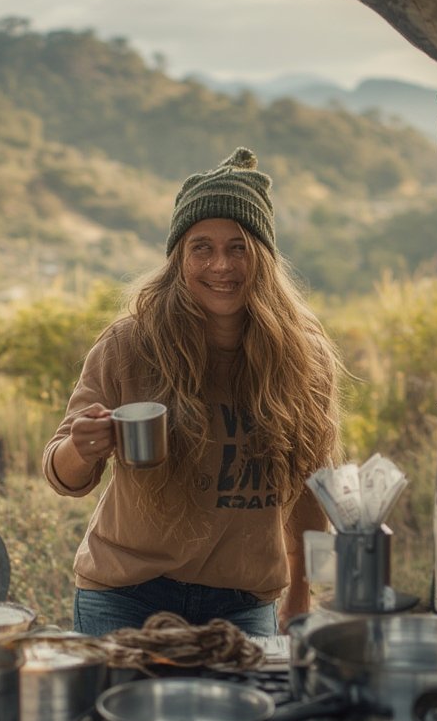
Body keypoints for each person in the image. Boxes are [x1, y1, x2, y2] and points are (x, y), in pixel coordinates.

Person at [42, 147, 343, 637]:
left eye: (238, 247)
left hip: (243, 603)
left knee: (250, 717)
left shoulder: (304, 359)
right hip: (125, 595)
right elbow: (60, 474)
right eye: (201, 247)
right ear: (178, 259)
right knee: (124, 717)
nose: (220, 265)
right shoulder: (129, 345)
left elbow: (313, 487)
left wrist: (304, 594)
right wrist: (81, 447)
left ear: (263, 258)